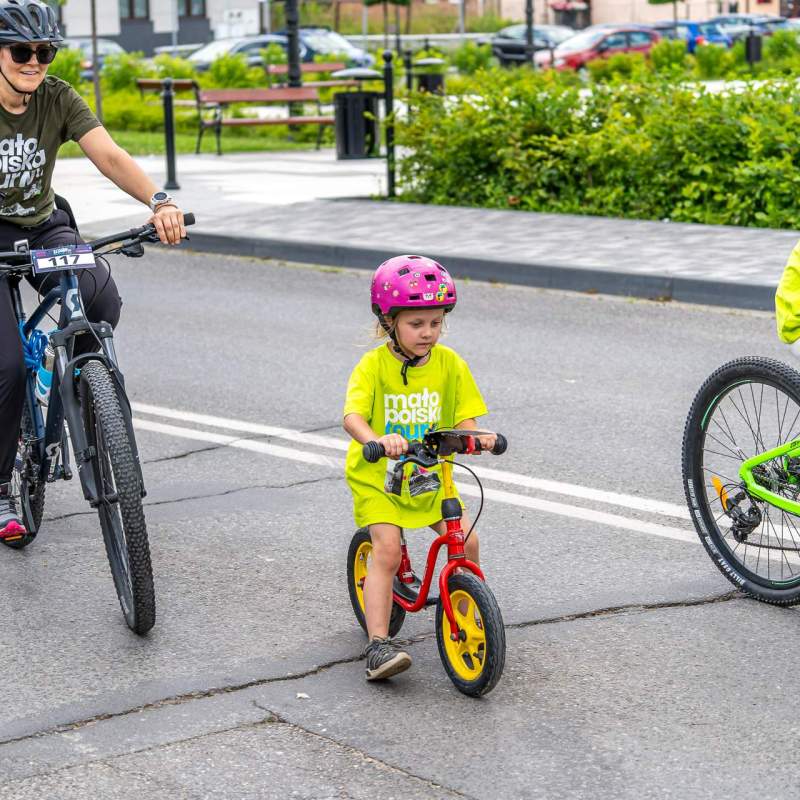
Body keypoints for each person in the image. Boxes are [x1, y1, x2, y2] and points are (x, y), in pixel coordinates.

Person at [0, 0, 186, 540]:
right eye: (21, 51)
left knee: (101, 299)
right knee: (7, 369)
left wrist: (160, 200)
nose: (34, 62)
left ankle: (88, 394)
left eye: (45, 52)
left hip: (42, 224)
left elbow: (108, 155)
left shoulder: (57, 97)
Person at [343, 254, 497, 681]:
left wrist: (475, 438)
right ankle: (378, 645)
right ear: (389, 322)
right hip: (381, 477)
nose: (428, 333)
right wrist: (375, 439)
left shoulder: (450, 364)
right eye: (417, 324)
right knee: (387, 551)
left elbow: (466, 416)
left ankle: (469, 610)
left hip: (431, 475)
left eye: (435, 322)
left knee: (466, 540)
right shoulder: (373, 366)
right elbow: (352, 416)